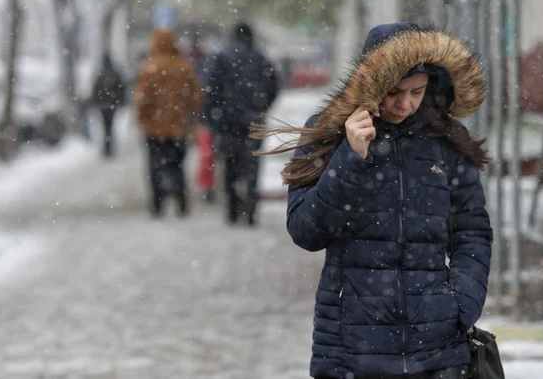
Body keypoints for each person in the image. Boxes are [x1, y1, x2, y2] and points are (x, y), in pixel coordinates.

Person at [254, 22, 493, 378]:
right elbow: (306, 230)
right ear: (371, 83)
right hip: (349, 347)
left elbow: (473, 233)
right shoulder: (329, 132)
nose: (405, 103)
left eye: (417, 91)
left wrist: (461, 304)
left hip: (439, 349)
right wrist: (351, 157)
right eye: (395, 90)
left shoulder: (445, 142)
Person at [206, 21, 279, 226]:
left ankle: (232, 210)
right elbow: (274, 84)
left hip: (228, 122)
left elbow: (212, 91)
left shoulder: (222, 58)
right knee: (252, 167)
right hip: (253, 121)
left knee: (230, 165)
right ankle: (250, 211)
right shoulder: (260, 58)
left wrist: (214, 117)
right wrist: (262, 107)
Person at [134, 29, 201, 218]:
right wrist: (192, 117)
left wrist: (142, 119)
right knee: (177, 164)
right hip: (179, 127)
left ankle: (157, 204)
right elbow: (196, 96)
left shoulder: (149, 67)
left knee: (155, 166)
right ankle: (180, 199)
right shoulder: (184, 67)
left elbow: (142, 98)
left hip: (154, 129)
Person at [188, 32, 216, 202]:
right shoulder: (206, 65)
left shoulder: (191, 64)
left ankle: (207, 184)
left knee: (206, 153)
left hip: (203, 117)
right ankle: (208, 185)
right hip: (208, 116)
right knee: (208, 153)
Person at [91, 54, 126, 158]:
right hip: (111, 105)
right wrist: (119, 101)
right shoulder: (115, 74)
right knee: (110, 126)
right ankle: (109, 146)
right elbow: (121, 89)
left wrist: (96, 102)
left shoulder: (100, 75)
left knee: (105, 126)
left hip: (103, 106)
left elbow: (95, 90)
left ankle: (107, 147)